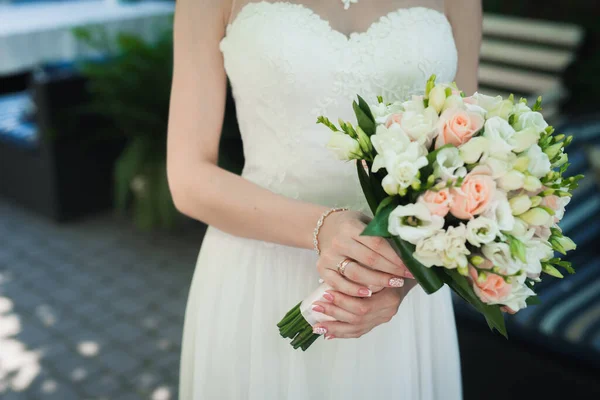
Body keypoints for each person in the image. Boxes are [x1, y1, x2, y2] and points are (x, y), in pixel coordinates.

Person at [167, 0, 481, 398]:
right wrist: (324, 228)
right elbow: (187, 178)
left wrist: (399, 283)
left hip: (394, 286)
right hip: (259, 275)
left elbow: (464, 154)